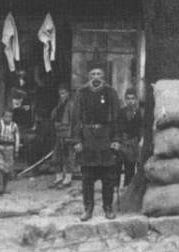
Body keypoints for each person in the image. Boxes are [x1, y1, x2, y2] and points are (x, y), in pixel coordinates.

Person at [72, 64, 121, 221]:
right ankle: (88, 208)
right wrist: (77, 140)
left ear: (103, 77)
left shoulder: (111, 93)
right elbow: (76, 118)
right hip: (87, 138)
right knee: (87, 177)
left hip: (106, 137)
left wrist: (116, 139)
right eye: (93, 74)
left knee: (108, 177)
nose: (95, 77)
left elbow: (117, 119)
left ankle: (108, 207)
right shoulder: (82, 93)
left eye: (99, 74)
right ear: (88, 76)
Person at [116, 88, 143, 188]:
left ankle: (127, 186)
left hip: (133, 141)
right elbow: (117, 127)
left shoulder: (139, 113)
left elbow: (140, 127)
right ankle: (116, 186)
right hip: (122, 140)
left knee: (130, 165)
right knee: (117, 164)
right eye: (128, 99)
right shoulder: (121, 112)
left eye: (132, 99)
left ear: (135, 100)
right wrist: (117, 140)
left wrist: (140, 139)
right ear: (125, 100)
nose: (130, 101)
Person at [50, 84, 74, 188]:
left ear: (68, 94)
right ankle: (59, 178)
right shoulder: (59, 105)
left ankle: (68, 179)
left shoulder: (71, 104)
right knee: (57, 156)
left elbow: (74, 121)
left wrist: (71, 134)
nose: (62, 95)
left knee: (68, 156)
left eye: (63, 93)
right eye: (60, 93)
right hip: (58, 132)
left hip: (67, 132)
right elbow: (53, 117)